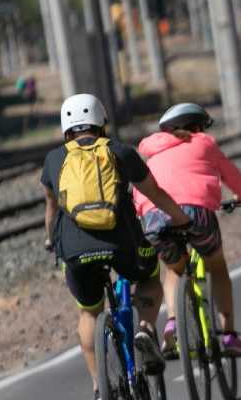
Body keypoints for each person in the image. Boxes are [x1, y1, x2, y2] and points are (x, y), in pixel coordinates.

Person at [42, 94, 191, 400]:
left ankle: (99, 386)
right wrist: (179, 219)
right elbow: (155, 192)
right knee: (150, 277)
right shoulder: (120, 151)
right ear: (102, 122)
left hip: (74, 249)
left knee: (89, 313)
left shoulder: (53, 160)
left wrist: (50, 240)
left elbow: (51, 210)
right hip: (123, 243)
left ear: (65, 128)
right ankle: (145, 329)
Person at [133, 103, 241, 357]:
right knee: (217, 266)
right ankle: (229, 335)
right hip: (195, 213)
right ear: (197, 126)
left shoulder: (152, 153)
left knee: (174, 269)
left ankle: (172, 325)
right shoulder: (205, 143)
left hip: (155, 217)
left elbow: (141, 189)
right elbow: (231, 175)